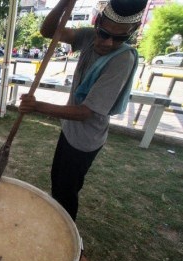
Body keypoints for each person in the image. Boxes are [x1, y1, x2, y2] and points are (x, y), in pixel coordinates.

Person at [19, 0, 147, 221]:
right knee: (56, 181)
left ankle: (68, 239)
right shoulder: (88, 36)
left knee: (66, 192)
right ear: (97, 23)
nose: (108, 43)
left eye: (120, 38)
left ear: (132, 32)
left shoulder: (122, 59)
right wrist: (62, 4)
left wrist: (37, 106)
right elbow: (48, 31)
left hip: (85, 141)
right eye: (105, 33)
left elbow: (85, 112)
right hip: (69, 130)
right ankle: (55, 225)